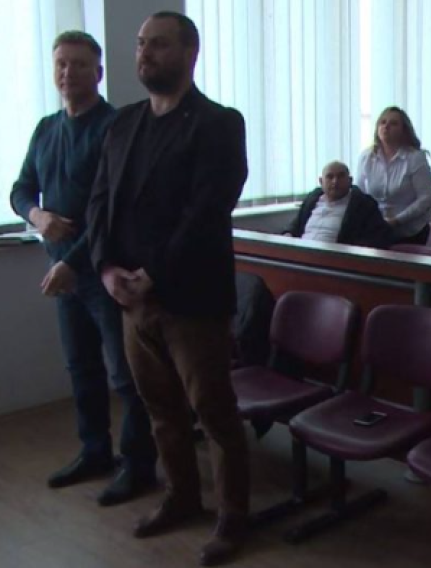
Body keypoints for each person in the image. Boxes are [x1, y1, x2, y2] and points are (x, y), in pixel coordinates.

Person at [86, 12, 249, 566]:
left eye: (158, 44)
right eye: (140, 44)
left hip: (192, 300)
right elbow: (99, 203)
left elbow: (207, 208)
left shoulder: (218, 123)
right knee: (160, 409)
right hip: (131, 299)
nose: (144, 53)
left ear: (189, 53)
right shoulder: (123, 124)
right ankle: (181, 497)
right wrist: (106, 269)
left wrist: (151, 273)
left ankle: (233, 517)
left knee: (214, 412)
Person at [9, 31, 157, 505]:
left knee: (126, 375)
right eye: (61, 64)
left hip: (105, 274)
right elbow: (20, 189)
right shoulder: (46, 128)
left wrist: (72, 262)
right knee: (81, 368)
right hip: (64, 274)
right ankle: (95, 452)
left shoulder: (115, 128)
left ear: (98, 72)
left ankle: (139, 466)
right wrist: (37, 216)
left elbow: (110, 211)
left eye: (78, 64)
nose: (68, 72)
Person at [356, 106, 431, 244]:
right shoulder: (366, 157)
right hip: (376, 227)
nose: (386, 127)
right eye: (383, 122)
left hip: (410, 229)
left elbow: (426, 198)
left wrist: (397, 220)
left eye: (393, 123)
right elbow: (360, 194)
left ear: (404, 130)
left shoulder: (415, 158)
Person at [283, 161, 393, 248]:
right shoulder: (312, 199)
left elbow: (378, 238)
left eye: (341, 176)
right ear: (321, 182)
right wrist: (287, 235)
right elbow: (295, 226)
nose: (335, 181)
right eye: (330, 177)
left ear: (350, 180)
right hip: (301, 255)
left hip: (336, 261)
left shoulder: (363, 204)